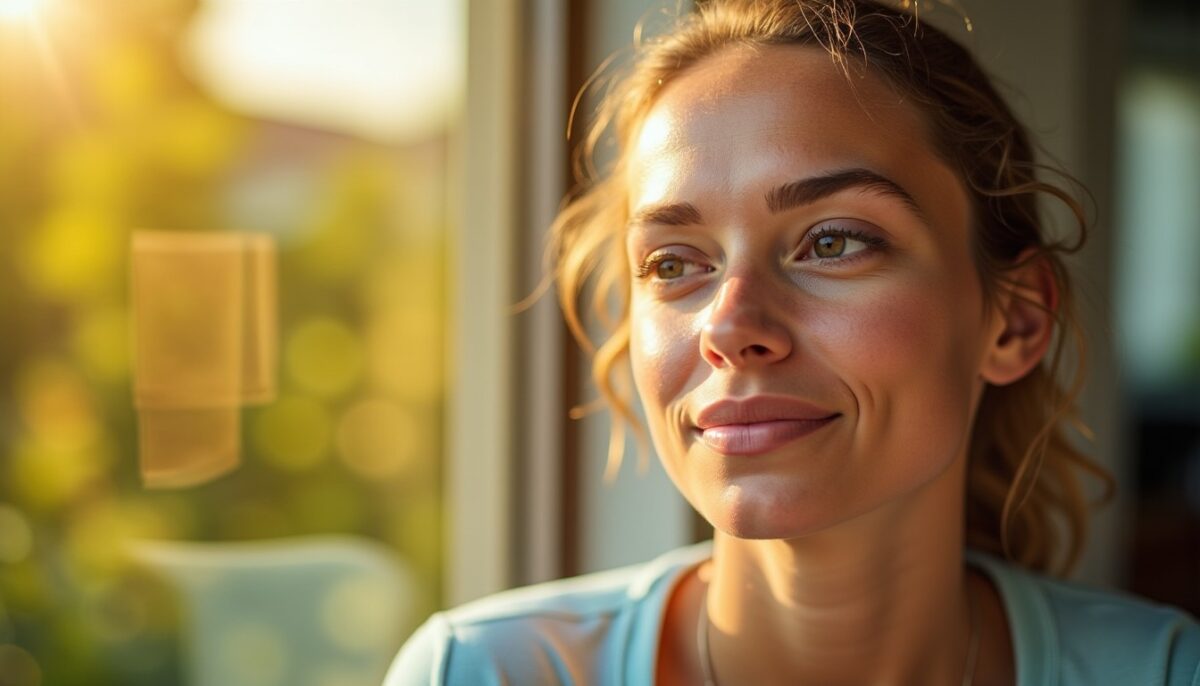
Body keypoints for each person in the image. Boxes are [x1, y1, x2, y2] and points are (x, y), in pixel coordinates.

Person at [384, 0, 1200, 684]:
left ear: (1015, 320)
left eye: (835, 242)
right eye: (674, 263)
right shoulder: (480, 673)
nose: (731, 328)